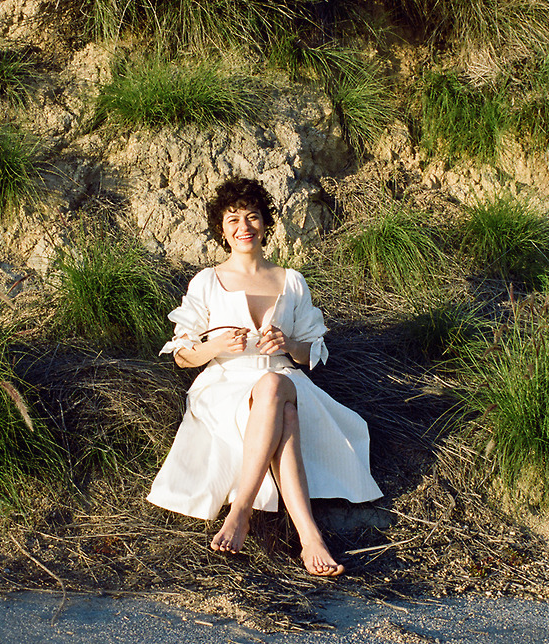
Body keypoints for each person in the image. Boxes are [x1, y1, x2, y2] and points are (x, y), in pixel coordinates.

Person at [147, 178, 383, 576]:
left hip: (283, 377)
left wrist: (289, 343)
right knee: (283, 411)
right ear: (221, 229)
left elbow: (312, 353)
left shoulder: (291, 281)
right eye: (233, 219)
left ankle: (239, 512)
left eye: (252, 216)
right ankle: (310, 538)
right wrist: (216, 345)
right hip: (225, 385)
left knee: (274, 385)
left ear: (265, 223)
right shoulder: (206, 281)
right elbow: (184, 357)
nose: (244, 226)